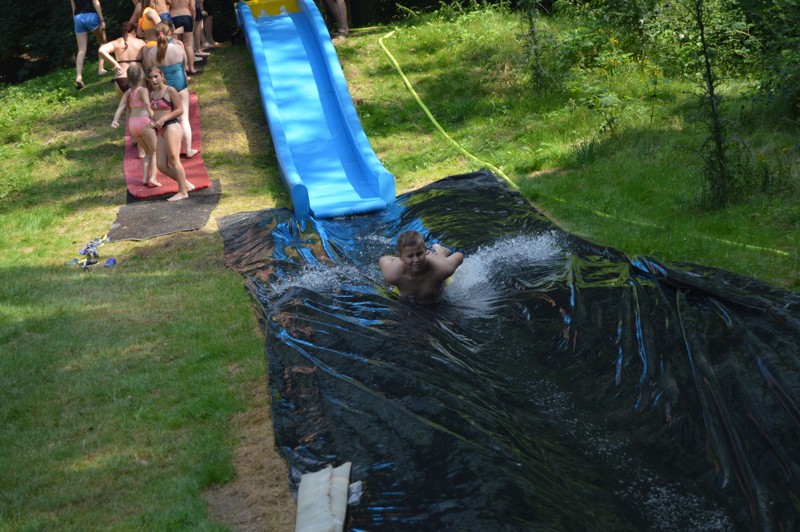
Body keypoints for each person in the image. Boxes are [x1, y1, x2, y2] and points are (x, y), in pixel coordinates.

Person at [149, 21, 198, 158]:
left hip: (163, 87)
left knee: (164, 118)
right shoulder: (178, 47)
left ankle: (169, 149)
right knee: (184, 118)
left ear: (155, 35)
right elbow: (185, 67)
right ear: (169, 33)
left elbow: (151, 71)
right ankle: (188, 150)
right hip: (180, 84)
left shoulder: (152, 52)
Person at [146, 65, 194, 201]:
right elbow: (155, 112)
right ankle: (186, 184)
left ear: (162, 75)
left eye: (156, 76)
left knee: (174, 160)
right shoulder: (152, 93)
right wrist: (153, 121)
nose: (154, 80)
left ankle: (183, 191)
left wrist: (163, 119)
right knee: (161, 164)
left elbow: (179, 110)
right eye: (151, 78)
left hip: (172, 127)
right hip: (161, 130)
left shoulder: (170, 90)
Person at [380, 231, 464, 303]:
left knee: (442, 261)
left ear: (425, 251)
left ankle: (440, 250)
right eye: (410, 256)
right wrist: (402, 259)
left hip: (435, 265)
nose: (416, 260)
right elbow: (384, 259)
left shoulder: (443, 269)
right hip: (403, 262)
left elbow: (459, 255)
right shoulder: (392, 274)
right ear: (400, 257)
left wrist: (443, 260)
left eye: (419, 254)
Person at [111, 64, 160, 187]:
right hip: (144, 122)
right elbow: (148, 106)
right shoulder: (143, 90)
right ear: (141, 76)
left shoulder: (128, 92)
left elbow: (121, 107)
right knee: (155, 151)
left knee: (147, 152)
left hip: (132, 125)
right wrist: (155, 120)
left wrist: (115, 120)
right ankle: (153, 178)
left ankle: (144, 178)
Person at [98, 21, 146, 96]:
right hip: (138, 76)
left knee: (124, 103)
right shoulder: (141, 42)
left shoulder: (116, 42)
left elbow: (101, 50)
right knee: (141, 103)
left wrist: (115, 64)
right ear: (133, 31)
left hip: (121, 78)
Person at [71, 0, 108, 89]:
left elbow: (73, 8)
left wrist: (75, 20)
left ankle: (79, 77)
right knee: (103, 43)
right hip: (91, 16)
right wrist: (102, 20)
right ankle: (101, 69)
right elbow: (96, 3)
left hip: (78, 18)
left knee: (81, 50)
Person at [169, 0, 197, 74]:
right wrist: (193, 20)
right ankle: (192, 67)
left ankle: (182, 68)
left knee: (177, 44)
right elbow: (193, 8)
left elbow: (168, 5)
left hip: (174, 16)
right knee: (189, 45)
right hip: (186, 16)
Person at [137, 0, 163, 66]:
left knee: (150, 70)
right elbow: (160, 27)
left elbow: (139, 33)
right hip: (157, 44)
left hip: (148, 46)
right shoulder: (151, 12)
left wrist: (149, 34)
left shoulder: (142, 15)